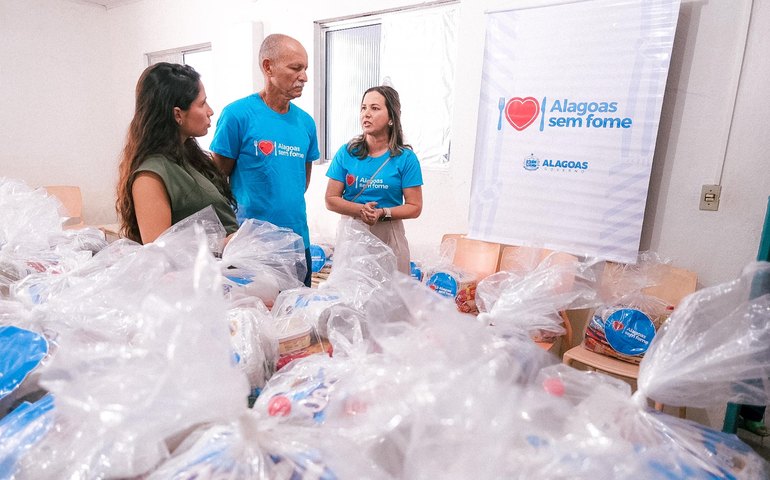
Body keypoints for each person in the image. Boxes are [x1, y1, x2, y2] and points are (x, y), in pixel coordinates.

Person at [210, 34, 319, 287]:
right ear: (268, 67)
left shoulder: (306, 123)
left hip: (296, 243)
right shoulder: (237, 115)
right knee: (254, 310)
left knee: (296, 309)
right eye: (295, 68)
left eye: (305, 69)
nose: (304, 77)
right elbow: (217, 183)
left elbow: (301, 182)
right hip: (251, 246)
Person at [116, 62, 238, 245]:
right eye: (202, 103)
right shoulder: (151, 175)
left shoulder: (191, 159)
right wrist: (224, 244)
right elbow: (159, 251)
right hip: (208, 262)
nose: (210, 111)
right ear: (178, 114)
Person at [324, 85, 423, 274]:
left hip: (389, 233)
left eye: (375, 108)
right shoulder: (347, 153)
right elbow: (331, 199)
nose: (366, 114)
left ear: (391, 118)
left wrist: (383, 212)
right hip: (352, 235)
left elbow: (415, 206)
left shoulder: (405, 158)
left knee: (391, 291)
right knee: (351, 289)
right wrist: (361, 210)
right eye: (363, 108)